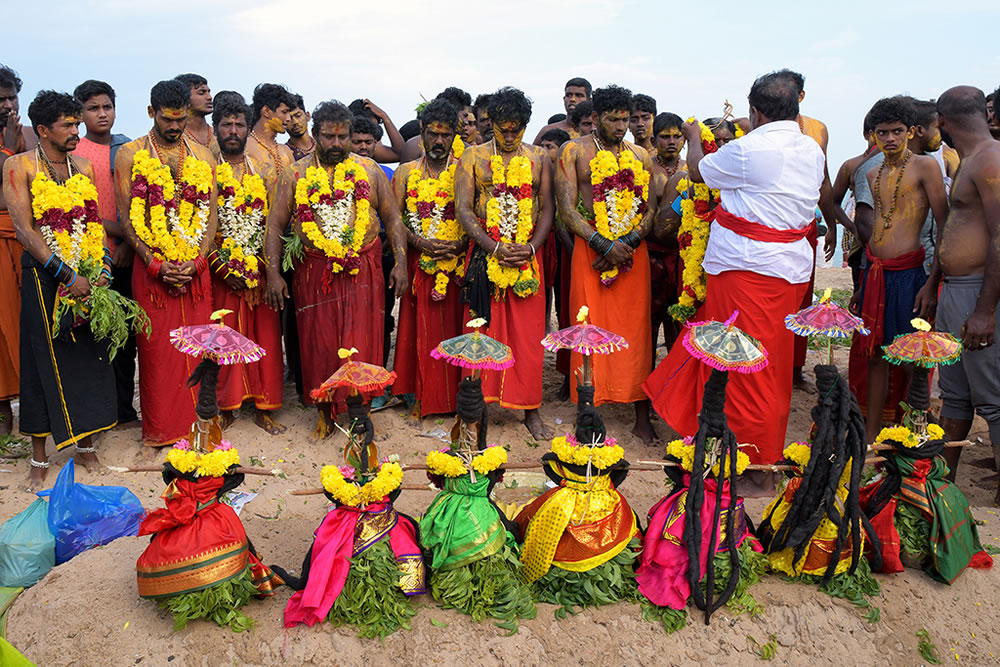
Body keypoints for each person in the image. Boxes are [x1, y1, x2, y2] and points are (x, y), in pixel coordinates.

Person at [643, 70, 825, 491]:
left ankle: (749, 466)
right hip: (787, 270)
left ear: (755, 111)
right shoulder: (810, 147)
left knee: (742, 365)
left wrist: (693, 135)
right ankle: (738, 448)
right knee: (770, 364)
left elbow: (698, 172)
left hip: (749, 270)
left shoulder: (749, 149)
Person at [263, 100, 407, 438]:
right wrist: (273, 273)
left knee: (365, 339)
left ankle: (362, 411)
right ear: (316, 135)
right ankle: (326, 413)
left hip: (364, 267)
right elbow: (275, 226)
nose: (337, 144)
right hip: (314, 271)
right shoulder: (294, 173)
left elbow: (392, 219)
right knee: (320, 342)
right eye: (329, 137)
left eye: (343, 137)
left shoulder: (369, 170)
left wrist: (400, 263)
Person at [3, 91, 116, 490]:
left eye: (76, 123)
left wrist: (100, 266)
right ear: (43, 130)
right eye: (68, 124)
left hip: (85, 270)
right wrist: (66, 274)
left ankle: (85, 447)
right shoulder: (19, 166)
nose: (76, 130)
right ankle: (38, 457)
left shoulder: (82, 166)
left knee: (87, 355)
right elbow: (24, 229)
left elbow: (93, 223)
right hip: (43, 276)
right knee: (41, 360)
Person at [114, 80, 218, 449]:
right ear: (150, 113)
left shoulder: (204, 156)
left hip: (194, 269)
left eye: (181, 119)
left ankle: (198, 429)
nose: (175, 127)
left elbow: (211, 218)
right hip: (151, 269)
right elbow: (127, 219)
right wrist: (155, 263)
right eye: (167, 119)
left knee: (197, 348)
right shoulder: (130, 154)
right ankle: (160, 433)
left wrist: (197, 260)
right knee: (157, 352)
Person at [554, 85, 658, 443]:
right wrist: (602, 243)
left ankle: (640, 412)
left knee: (636, 329)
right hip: (590, 252)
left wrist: (626, 243)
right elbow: (566, 209)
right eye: (613, 119)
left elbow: (650, 210)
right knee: (588, 324)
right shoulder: (573, 151)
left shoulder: (640, 155)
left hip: (631, 255)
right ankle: (589, 407)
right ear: (596, 118)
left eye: (626, 119)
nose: (621, 127)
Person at [454, 87, 554, 439]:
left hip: (527, 256)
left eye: (517, 129)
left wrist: (531, 247)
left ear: (526, 125)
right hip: (486, 255)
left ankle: (530, 409)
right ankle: (476, 405)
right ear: (491, 124)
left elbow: (547, 208)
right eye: (503, 129)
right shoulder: (472, 157)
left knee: (527, 337)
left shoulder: (539, 157)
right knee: (482, 330)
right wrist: (493, 247)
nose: (510, 136)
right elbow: (464, 210)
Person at [847, 96, 946, 444]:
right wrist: (862, 284)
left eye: (897, 131)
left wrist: (933, 282)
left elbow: (944, 225)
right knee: (875, 355)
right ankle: (871, 437)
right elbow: (876, 231)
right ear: (873, 134)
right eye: (882, 132)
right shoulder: (873, 173)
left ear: (910, 132)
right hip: (876, 274)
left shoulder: (925, 167)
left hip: (910, 274)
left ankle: (910, 434)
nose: (889, 138)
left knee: (910, 358)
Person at [932, 86, 1000, 500]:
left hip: (979, 295)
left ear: (943, 121)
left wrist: (985, 310)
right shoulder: (971, 159)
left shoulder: (991, 158)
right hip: (957, 291)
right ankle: (944, 484)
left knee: (993, 398)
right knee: (955, 394)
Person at [208, 95, 285, 435]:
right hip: (222, 272)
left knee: (265, 336)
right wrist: (223, 266)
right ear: (216, 128)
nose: (234, 130)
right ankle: (227, 405)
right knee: (224, 335)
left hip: (259, 268)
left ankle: (264, 406)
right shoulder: (205, 169)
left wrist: (269, 271)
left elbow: (275, 224)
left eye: (240, 124)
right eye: (227, 124)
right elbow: (200, 223)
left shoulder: (265, 171)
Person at [391, 98, 465, 416]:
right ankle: (421, 397)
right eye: (433, 134)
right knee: (417, 330)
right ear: (421, 132)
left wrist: (459, 244)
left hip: (455, 262)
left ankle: (452, 401)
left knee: (454, 330)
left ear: (454, 136)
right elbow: (395, 221)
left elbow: (473, 215)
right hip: (417, 260)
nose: (438, 141)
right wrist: (419, 241)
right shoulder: (406, 172)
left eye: (445, 135)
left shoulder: (465, 171)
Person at [72, 79, 137, 425]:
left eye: (107, 107)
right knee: (97, 336)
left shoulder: (127, 149)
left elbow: (140, 203)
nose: (102, 114)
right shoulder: (76, 152)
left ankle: (125, 412)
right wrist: (121, 237)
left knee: (126, 339)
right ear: (81, 114)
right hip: (93, 259)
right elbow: (85, 212)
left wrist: (129, 243)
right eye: (93, 108)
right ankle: (100, 415)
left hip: (130, 254)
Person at [0, 65, 36, 437]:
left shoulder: (28, 134)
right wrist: (9, 148)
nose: (9, 105)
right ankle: (4, 417)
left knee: (28, 326)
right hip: (1, 243)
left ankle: (33, 414)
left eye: (13, 98)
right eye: (2, 100)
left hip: (28, 242)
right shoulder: (13, 139)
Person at [648, 112, 686, 358]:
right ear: (653, 141)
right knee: (649, 320)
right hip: (651, 255)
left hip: (683, 255)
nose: (672, 141)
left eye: (677, 136)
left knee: (678, 319)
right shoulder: (645, 167)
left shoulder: (692, 169)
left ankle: (674, 382)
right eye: (665, 137)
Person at [400, 88, 473, 162]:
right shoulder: (414, 147)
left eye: (445, 135)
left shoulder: (467, 150)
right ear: (453, 112)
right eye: (465, 116)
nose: (466, 122)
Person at [246, 83, 295, 174]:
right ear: (266, 111)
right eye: (284, 112)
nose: (288, 119)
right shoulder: (246, 147)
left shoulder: (286, 151)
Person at [533, 77, 591, 144]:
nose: (573, 99)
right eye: (569, 95)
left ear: (589, 100)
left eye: (579, 95)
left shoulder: (595, 130)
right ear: (564, 99)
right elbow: (533, 153)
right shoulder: (548, 130)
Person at [348, 98, 406, 163]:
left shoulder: (369, 150)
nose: (364, 146)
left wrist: (384, 116)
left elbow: (401, 154)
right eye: (357, 141)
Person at [174, 73, 216, 153]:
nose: (209, 97)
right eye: (202, 93)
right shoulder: (175, 137)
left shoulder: (219, 135)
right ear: (184, 97)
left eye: (208, 92)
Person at [284, 93, 314, 162]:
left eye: (298, 116)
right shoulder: (284, 155)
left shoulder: (322, 146)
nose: (295, 122)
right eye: (290, 118)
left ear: (307, 116)